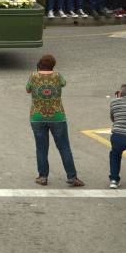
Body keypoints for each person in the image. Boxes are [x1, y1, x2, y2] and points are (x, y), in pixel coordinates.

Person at [25, 54, 83, 187]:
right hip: (57, 116)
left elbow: (28, 90)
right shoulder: (57, 76)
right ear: (53, 65)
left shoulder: (34, 76)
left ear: (39, 64)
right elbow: (63, 84)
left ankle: (43, 176)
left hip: (37, 117)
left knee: (41, 148)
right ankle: (72, 177)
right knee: (64, 147)